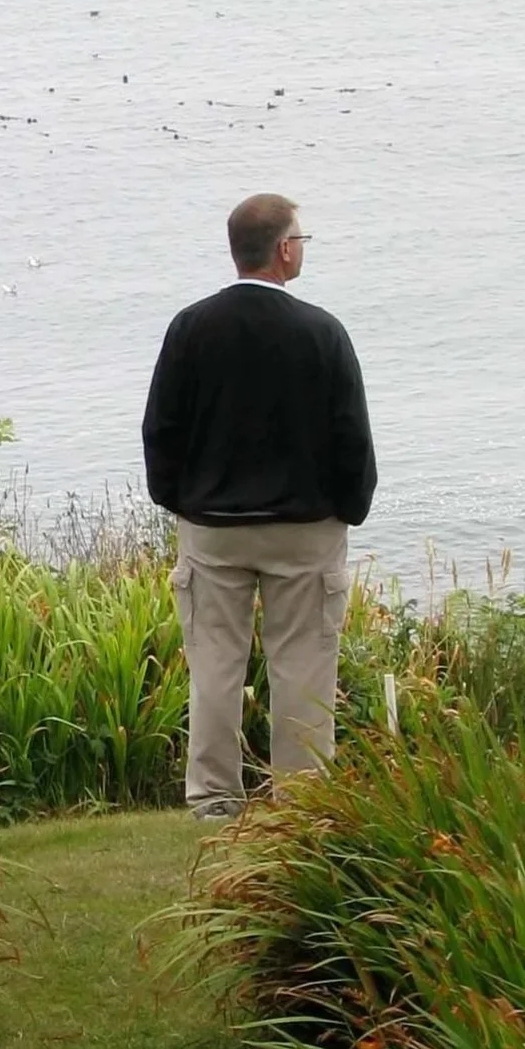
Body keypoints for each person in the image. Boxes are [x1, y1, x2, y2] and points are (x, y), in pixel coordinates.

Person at [142, 193, 376, 817]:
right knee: (304, 665)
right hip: (305, 528)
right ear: (283, 250)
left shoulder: (191, 328)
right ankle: (301, 803)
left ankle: (215, 800)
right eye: (301, 239)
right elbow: (350, 436)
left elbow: (161, 429)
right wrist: (350, 508)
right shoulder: (322, 332)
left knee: (215, 664)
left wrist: (180, 502)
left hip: (214, 527)